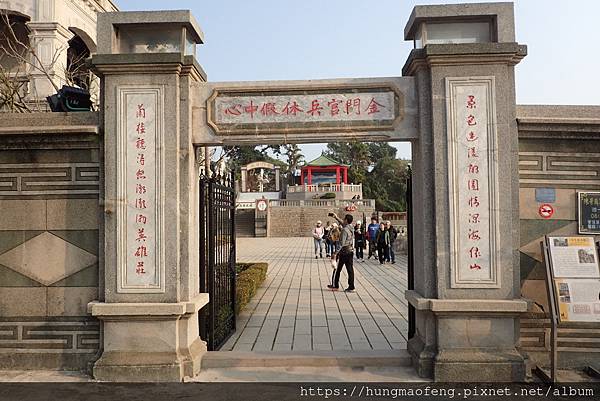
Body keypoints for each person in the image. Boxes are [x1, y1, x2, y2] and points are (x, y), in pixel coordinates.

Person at [327, 213, 355, 292]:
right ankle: (351, 286)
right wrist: (336, 217)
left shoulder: (344, 230)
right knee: (350, 270)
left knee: (337, 269)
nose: (343, 220)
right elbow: (343, 223)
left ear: (346, 220)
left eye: (344, 219)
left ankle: (335, 285)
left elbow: (341, 243)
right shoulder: (351, 227)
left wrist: (335, 253)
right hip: (350, 251)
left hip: (344, 252)